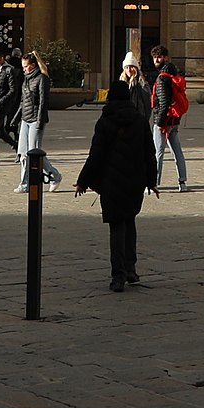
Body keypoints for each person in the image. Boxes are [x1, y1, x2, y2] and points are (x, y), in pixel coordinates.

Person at [76, 54, 160, 291]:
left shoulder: (104, 122)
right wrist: (151, 182)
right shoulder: (140, 121)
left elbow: (96, 156)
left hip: (111, 182)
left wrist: (83, 181)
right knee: (130, 222)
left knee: (116, 226)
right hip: (134, 180)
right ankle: (131, 269)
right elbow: (149, 154)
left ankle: (118, 275)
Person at [149, 44, 190, 191]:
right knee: (177, 151)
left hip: (164, 121)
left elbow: (164, 102)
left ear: (166, 58)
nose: (157, 60)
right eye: (154, 57)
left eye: (159, 57)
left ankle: (153, 183)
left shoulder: (162, 79)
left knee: (157, 153)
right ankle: (182, 182)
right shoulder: (175, 74)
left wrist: (159, 123)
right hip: (174, 120)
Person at [14, 50, 54, 191]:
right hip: (25, 119)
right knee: (24, 154)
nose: (24, 69)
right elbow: (23, 100)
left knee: (34, 154)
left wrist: (40, 122)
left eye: (26, 66)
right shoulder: (26, 79)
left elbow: (43, 102)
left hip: (36, 119)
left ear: (33, 65)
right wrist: (16, 118)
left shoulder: (42, 78)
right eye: (23, 66)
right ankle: (24, 183)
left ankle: (54, 176)